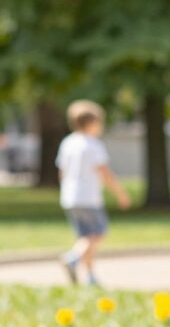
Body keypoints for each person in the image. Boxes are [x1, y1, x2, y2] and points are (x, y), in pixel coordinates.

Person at [56, 99, 131, 286]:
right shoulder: (93, 145)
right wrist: (120, 194)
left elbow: (62, 172)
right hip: (88, 197)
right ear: (91, 123)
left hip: (70, 197)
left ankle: (90, 277)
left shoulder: (68, 143)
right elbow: (105, 173)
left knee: (84, 238)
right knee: (98, 233)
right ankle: (73, 258)